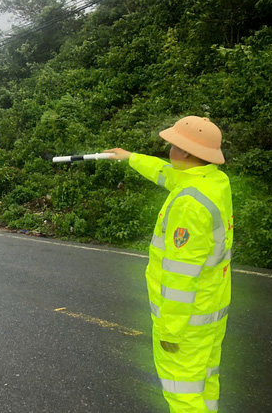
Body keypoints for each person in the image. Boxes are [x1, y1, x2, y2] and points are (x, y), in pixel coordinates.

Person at [105, 116, 232, 413]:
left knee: (182, 394)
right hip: (210, 312)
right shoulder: (212, 181)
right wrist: (130, 158)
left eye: (173, 145)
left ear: (185, 151)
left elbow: (180, 275)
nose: (169, 150)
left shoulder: (189, 205)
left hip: (185, 323)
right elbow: (165, 174)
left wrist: (170, 333)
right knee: (205, 382)